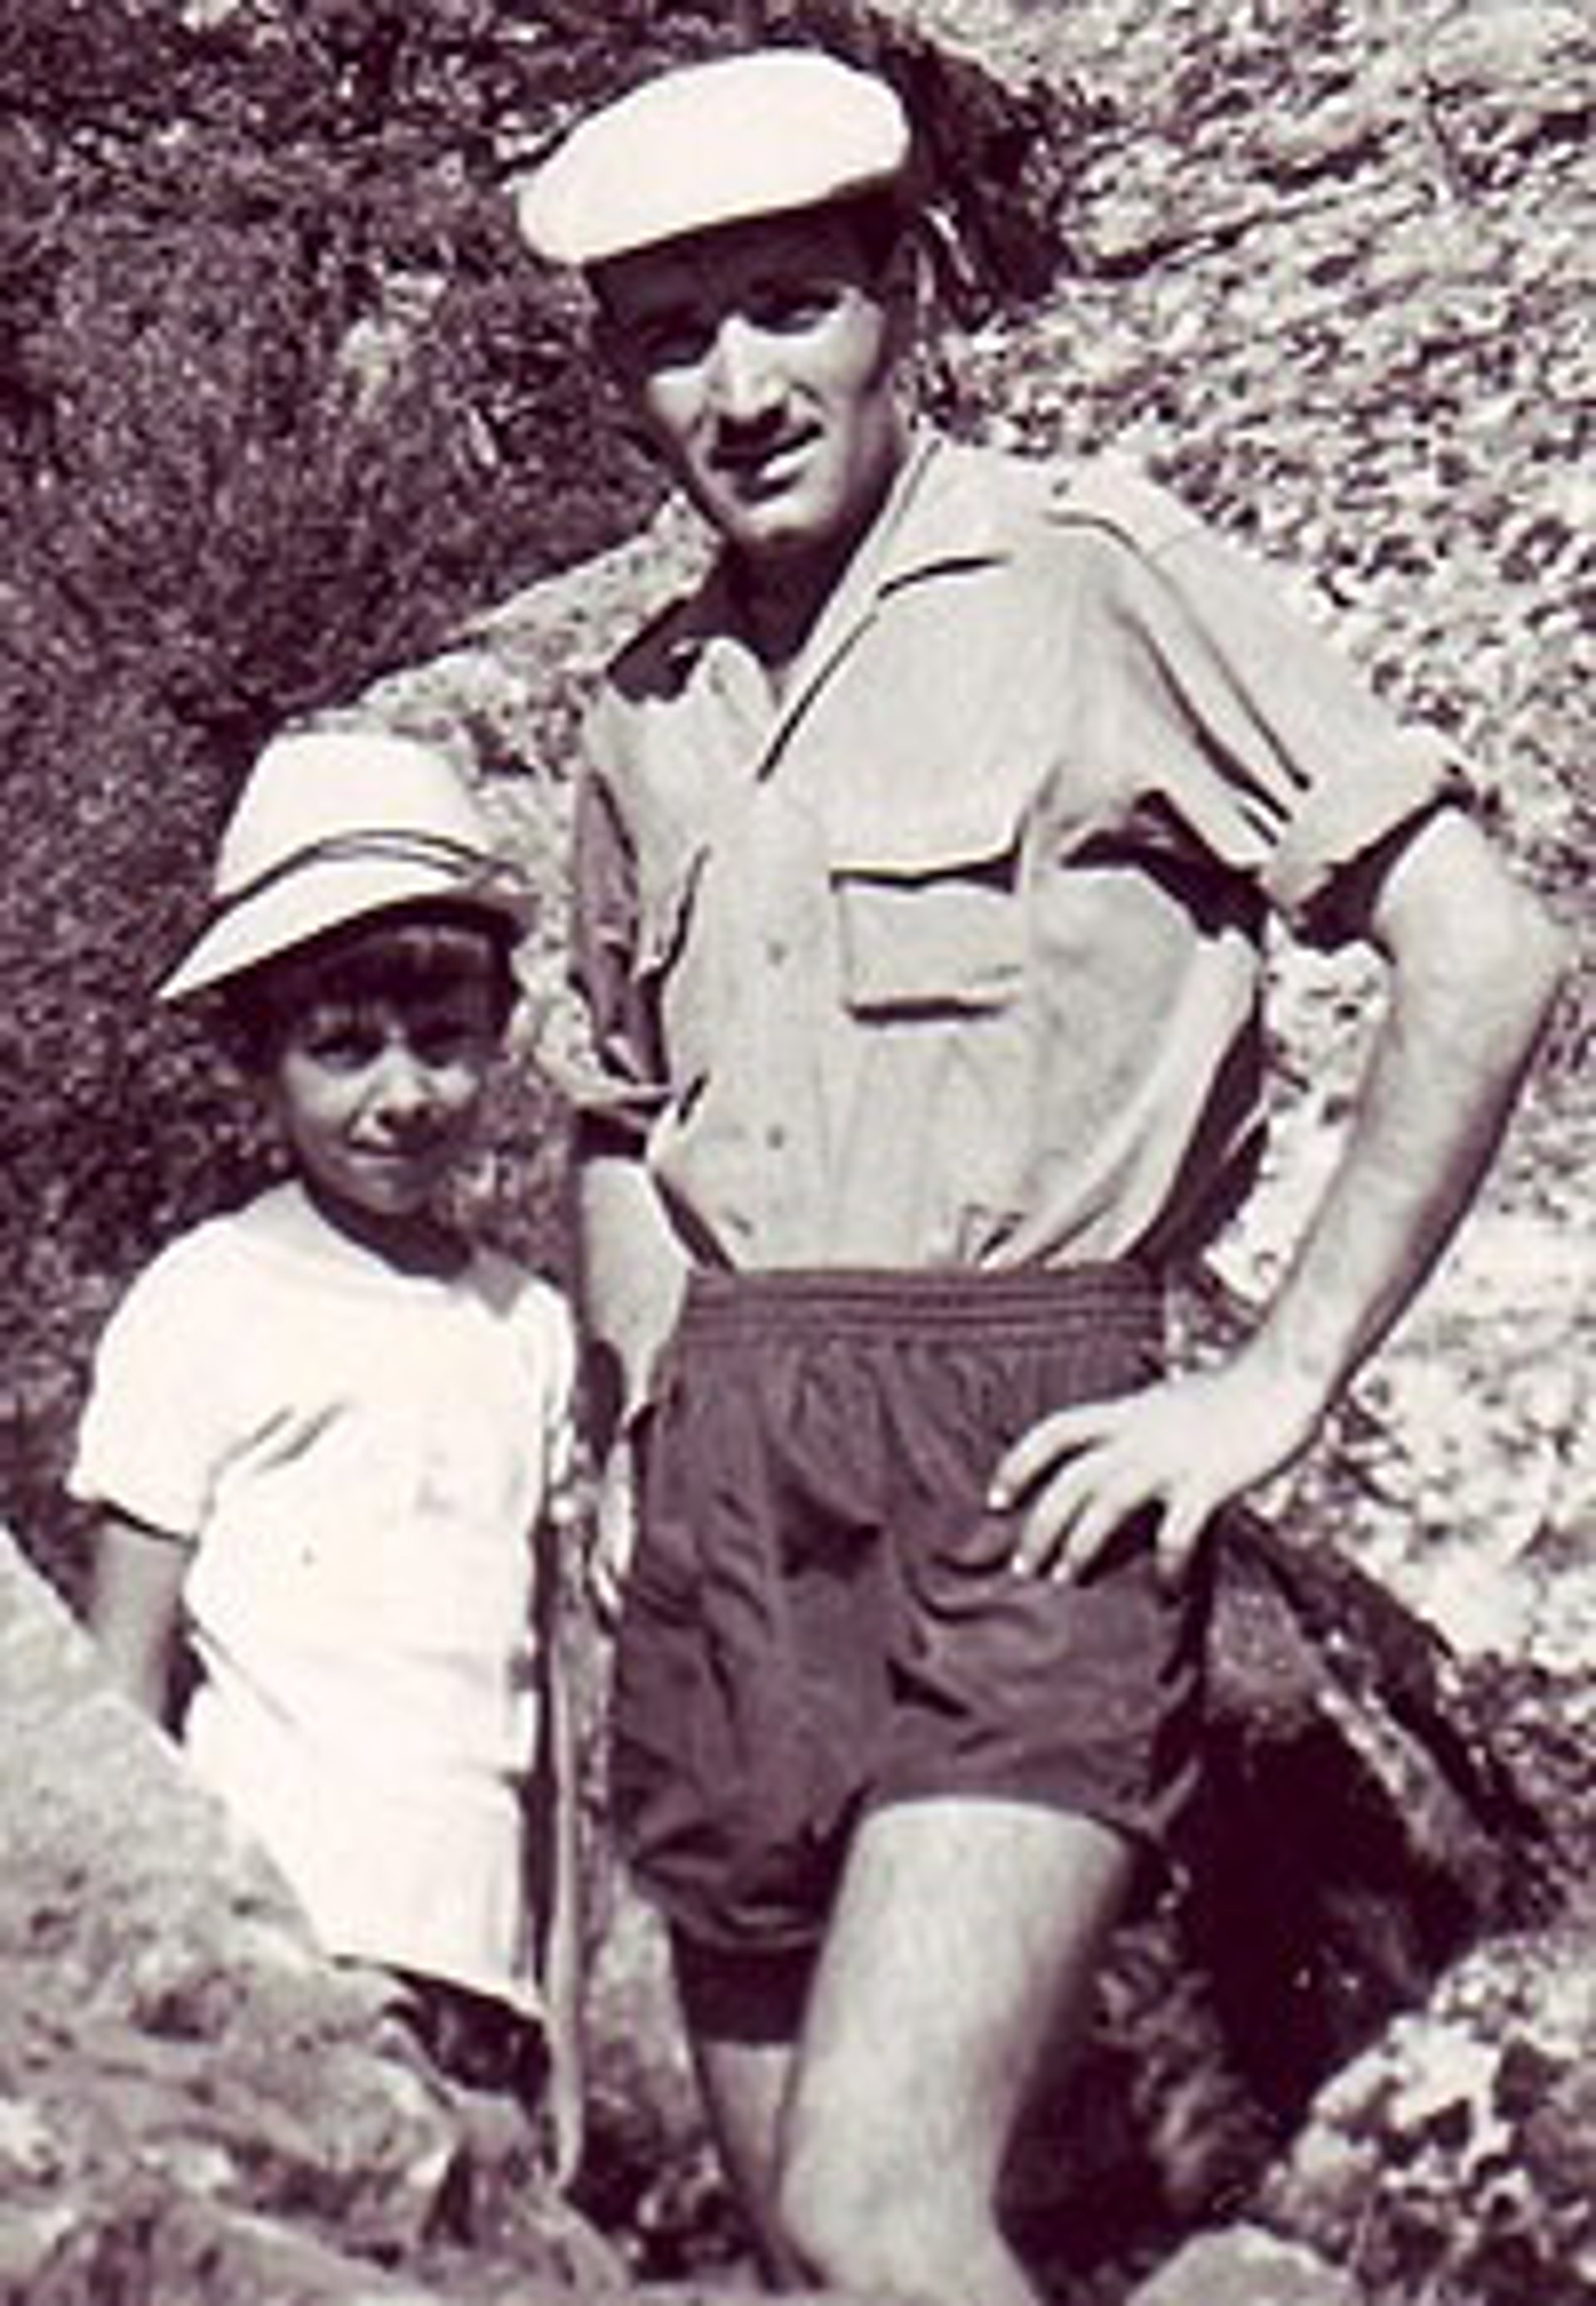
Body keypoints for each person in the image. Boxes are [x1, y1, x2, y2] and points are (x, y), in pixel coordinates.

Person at [516, 47, 1565, 2302]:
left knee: (876, 2200)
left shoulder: (1093, 577)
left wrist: (1272, 1382)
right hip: (725, 1494)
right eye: (674, 338)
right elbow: (618, 1106)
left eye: (792, 304)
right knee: (807, 2250)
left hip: (1026, 1454)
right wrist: (629, 1424)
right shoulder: (645, 706)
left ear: (909, 291)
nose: (741, 389)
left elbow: (1483, 949)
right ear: (619, 381)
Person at [71, 727, 584, 2175]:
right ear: (257, 1057)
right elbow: (123, 1687)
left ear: (497, 1032)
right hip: (277, 1950)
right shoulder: (206, 1301)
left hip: (479, 1982)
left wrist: (561, 2025)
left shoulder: (528, 1326)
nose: (402, 1095)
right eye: (343, 1047)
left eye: (443, 1039)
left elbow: (551, 1721)